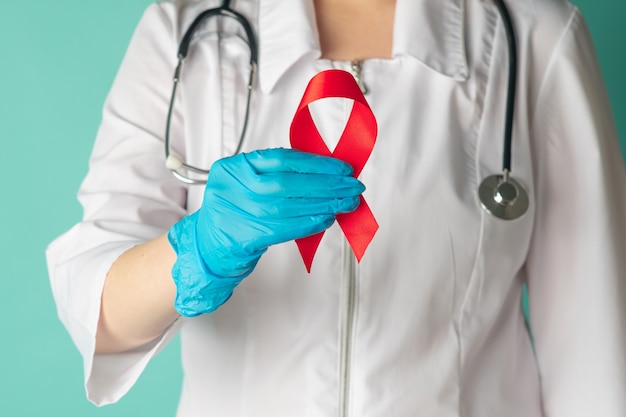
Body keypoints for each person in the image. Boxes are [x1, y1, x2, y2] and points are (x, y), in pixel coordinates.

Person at [47, 0, 626, 415]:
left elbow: (595, 352)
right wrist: (198, 251)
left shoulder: (534, 35)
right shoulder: (185, 31)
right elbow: (96, 308)